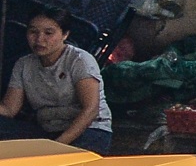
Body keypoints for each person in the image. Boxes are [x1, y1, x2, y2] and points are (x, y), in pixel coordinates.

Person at [1, 8, 114, 152]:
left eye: (49, 33)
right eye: (33, 32)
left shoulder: (79, 60)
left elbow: (90, 109)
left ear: (65, 34)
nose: (39, 39)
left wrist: (56, 146)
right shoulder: (23, 64)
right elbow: (10, 109)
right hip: (48, 130)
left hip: (90, 130)